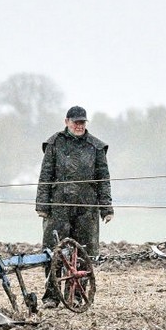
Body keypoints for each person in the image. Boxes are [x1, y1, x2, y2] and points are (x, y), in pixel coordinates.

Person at [36, 105, 113, 308]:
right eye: (76, 122)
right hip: (58, 207)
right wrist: (42, 205)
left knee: (83, 254)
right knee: (54, 253)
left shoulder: (96, 147)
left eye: (82, 122)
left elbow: (103, 179)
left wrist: (107, 208)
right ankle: (51, 296)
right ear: (67, 122)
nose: (79, 126)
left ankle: (77, 296)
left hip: (86, 208)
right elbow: (45, 176)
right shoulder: (54, 143)